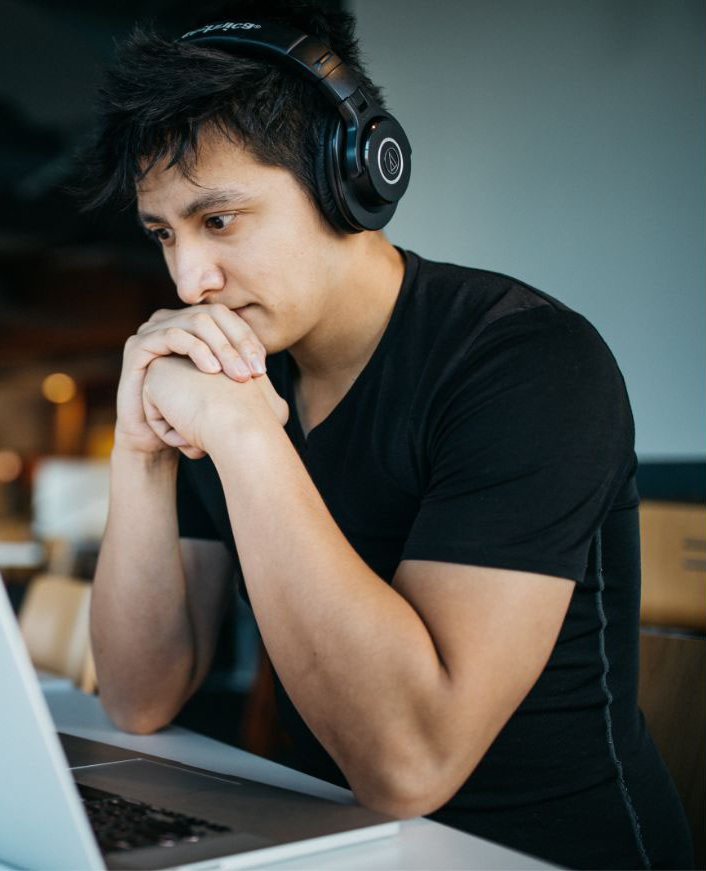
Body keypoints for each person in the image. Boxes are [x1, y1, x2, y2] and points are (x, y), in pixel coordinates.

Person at [78, 3, 693, 868]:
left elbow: (411, 763)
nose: (189, 278)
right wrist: (137, 451)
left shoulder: (528, 362)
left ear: (350, 178)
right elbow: (139, 697)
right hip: (331, 841)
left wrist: (250, 438)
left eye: (218, 221)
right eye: (163, 234)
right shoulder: (234, 371)